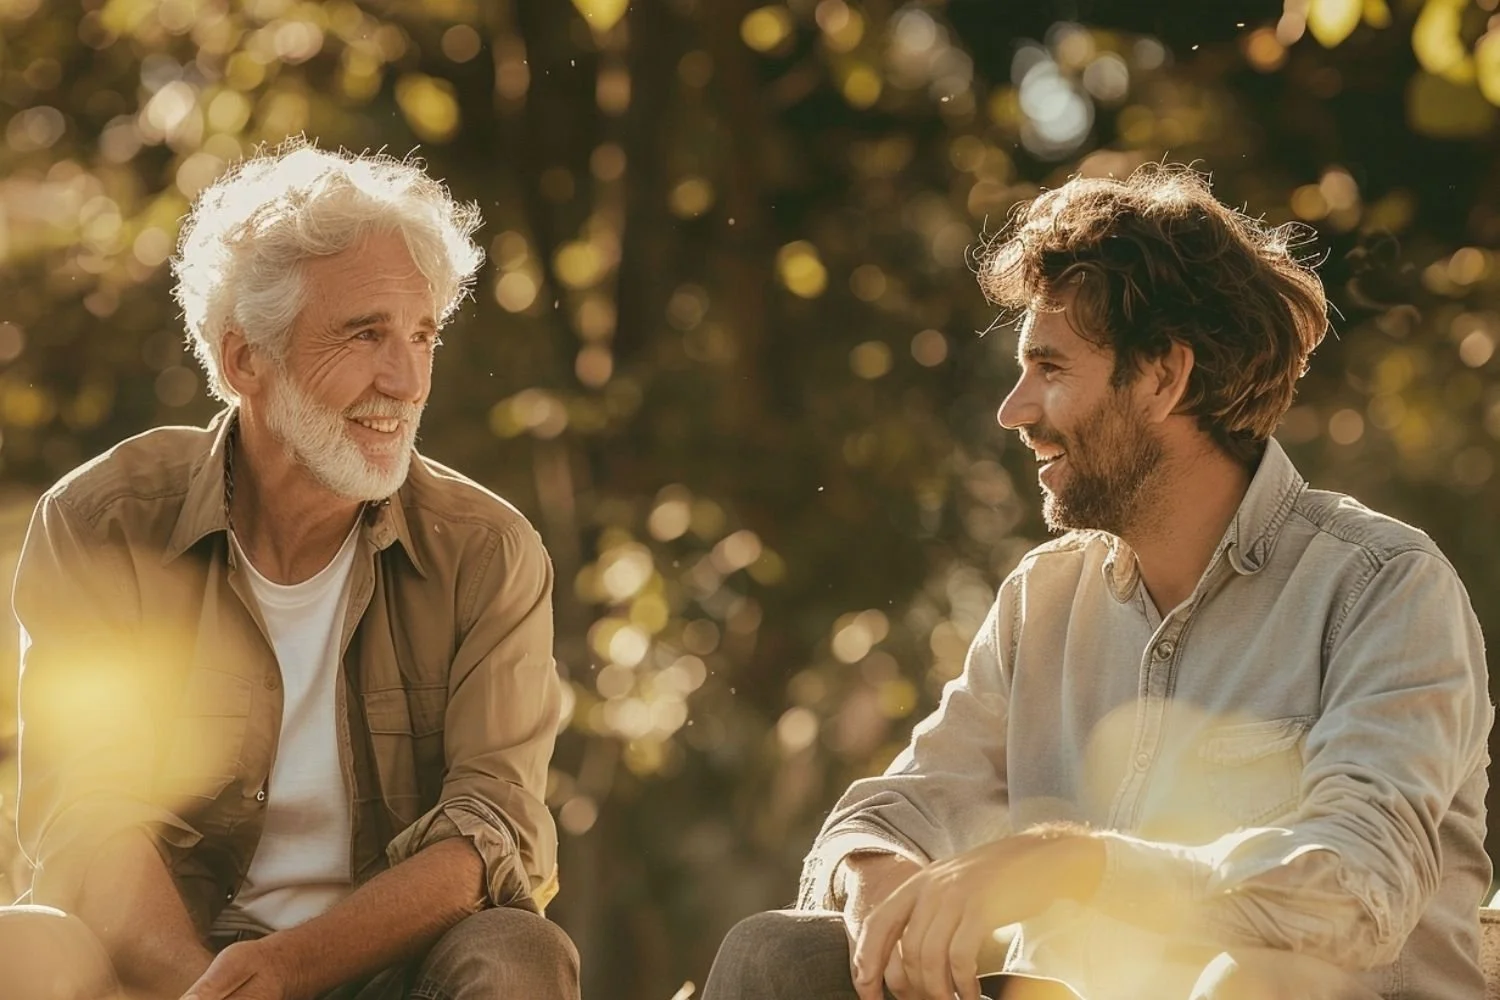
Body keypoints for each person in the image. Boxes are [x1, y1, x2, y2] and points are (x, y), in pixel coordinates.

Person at [702, 164, 1491, 1000]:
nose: (1014, 409)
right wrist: (883, 888)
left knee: (1253, 983)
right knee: (777, 955)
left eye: (1050, 367)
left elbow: (1360, 889)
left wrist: (1072, 865)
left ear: (1164, 376)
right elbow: (896, 811)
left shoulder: (1383, 588)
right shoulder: (1043, 601)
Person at [1, 141, 580, 1000]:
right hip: (164, 971)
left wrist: (286, 970)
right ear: (244, 361)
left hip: (384, 972)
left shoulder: (489, 551)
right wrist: (217, 989)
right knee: (23, 946)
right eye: (365, 333)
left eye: (423, 334)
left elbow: (492, 834)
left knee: (518, 951)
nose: (408, 378)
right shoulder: (103, 523)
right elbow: (87, 819)